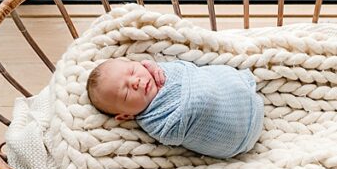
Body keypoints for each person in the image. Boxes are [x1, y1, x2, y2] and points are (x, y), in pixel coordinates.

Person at [87, 57, 264, 159]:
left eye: (133, 70)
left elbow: (188, 69)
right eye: (125, 93)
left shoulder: (159, 71)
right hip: (237, 138)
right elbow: (197, 105)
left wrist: (158, 67)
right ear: (125, 116)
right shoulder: (156, 122)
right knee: (204, 98)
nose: (136, 82)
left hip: (238, 92)